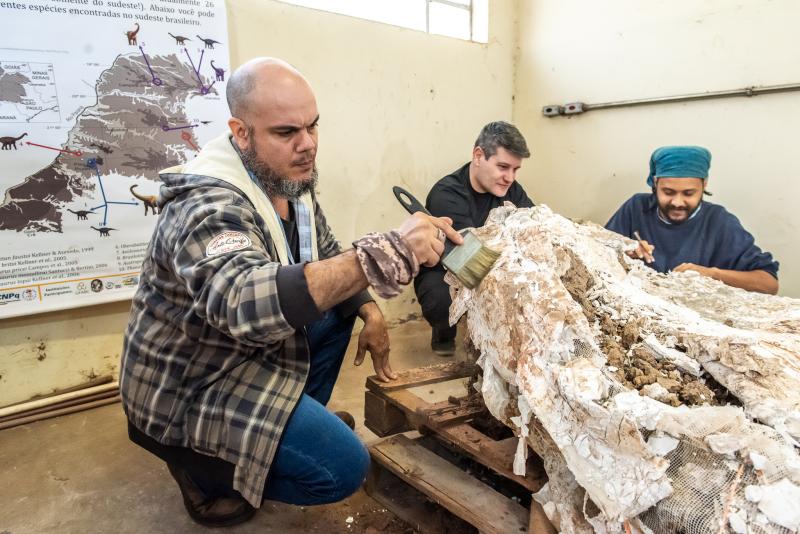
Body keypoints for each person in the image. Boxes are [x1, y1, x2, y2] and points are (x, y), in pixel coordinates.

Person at [119, 57, 462, 527]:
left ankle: (284, 432)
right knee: (344, 469)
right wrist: (391, 250)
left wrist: (370, 310)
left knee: (341, 309)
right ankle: (209, 473)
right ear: (240, 132)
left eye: (313, 127)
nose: (308, 146)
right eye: (286, 133)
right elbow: (243, 302)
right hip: (193, 384)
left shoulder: (287, 181)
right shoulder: (207, 203)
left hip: (244, 355)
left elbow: (323, 254)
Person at [414, 121, 534, 355]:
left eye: (515, 169)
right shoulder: (446, 194)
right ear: (478, 156)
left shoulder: (511, 189)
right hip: (450, 269)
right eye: (503, 167)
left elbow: (533, 224)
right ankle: (443, 332)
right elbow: (468, 257)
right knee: (440, 298)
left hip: (496, 261)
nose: (509, 177)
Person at [606, 145, 778, 294]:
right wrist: (625, 255)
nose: (677, 202)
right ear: (655, 183)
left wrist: (711, 274)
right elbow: (595, 254)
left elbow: (769, 284)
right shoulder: (636, 208)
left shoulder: (719, 221)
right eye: (668, 192)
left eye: (689, 193)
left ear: (704, 185)